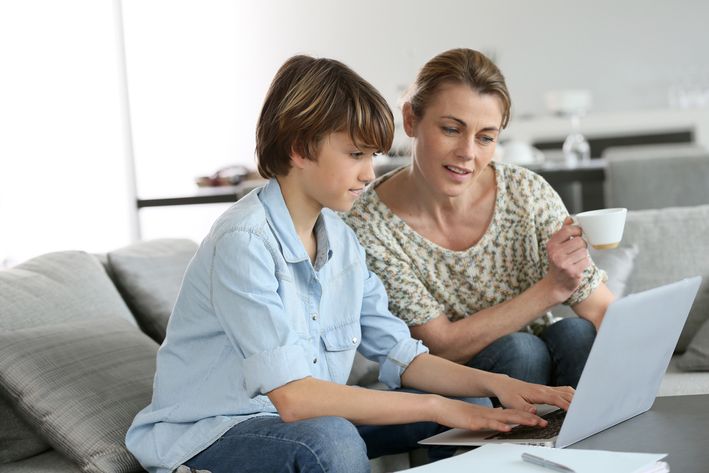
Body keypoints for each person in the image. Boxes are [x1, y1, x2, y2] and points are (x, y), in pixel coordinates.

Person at [125, 55, 574, 473]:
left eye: (372, 157)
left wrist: (495, 384)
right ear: (300, 148)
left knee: (475, 403)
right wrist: (438, 405)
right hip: (218, 431)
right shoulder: (244, 241)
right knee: (333, 438)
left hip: (314, 415)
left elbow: (402, 354)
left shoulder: (340, 236)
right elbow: (296, 399)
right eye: (356, 155)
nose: (369, 174)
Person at [343, 48, 615, 390]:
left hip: (543, 366)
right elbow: (439, 344)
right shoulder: (369, 225)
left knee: (577, 332)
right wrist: (552, 289)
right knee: (521, 351)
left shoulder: (525, 194)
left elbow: (601, 309)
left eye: (486, 137)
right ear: (411, 119)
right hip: (451, 385)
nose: (468, 153)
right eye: (452, 130)